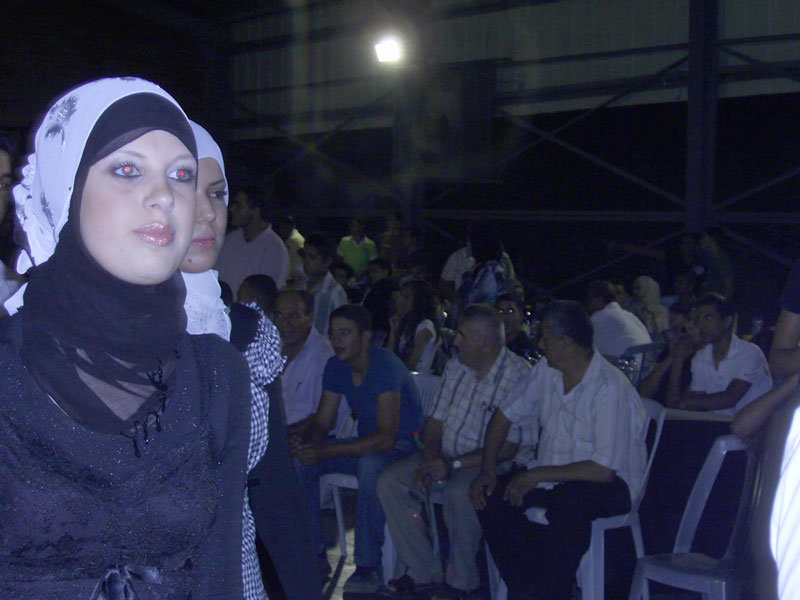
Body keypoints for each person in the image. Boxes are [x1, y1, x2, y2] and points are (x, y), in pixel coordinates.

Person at [0, 77, 249, 598]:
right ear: (68, 190)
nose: (165, 196)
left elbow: (219, 576)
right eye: (128, 170)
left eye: (181, 175)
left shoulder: (217, 373)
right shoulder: (8, 369)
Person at [180, 122, 321, 600]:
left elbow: (272, 483)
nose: (208, 212)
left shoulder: (246, 334)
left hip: (230, 571)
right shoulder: (101, 333)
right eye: (186, 189)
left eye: (218, 195)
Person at [469, 300, 647, 600]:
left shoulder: (609, 387)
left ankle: (552, 591)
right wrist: (487, 470)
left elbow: (603, 470)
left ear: (566, 343)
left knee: (571, 502)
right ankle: (528, 586)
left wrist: (536, 475)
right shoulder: (547, 371)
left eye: (545, 338)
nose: (540, 345)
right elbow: (504, 415)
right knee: (489, 496)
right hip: (553, 479)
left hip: (612, 484)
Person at [377, 304, 534, 599]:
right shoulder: (456, 367)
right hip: (446, 455)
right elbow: (435, 423)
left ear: (484, 343)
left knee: (459, 492)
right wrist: (430, 460)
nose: (455, 341)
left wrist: (453, 465)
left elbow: (509, 448)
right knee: (391, 482)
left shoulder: (519, 376)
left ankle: (461, 582)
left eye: (461, 335)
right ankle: (422, 570)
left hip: (491, 463)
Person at [292, 305, 423, 595]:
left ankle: (367, 565)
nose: (336, 340)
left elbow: (387, 438)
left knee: (371, 465)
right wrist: (310, 443)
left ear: (365, 337)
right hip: (369, 446)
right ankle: (313, 553)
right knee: (302, 462)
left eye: (345, 333)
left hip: (405, 449)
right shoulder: (336, 366)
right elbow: (323, 421)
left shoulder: (385, 366)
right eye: (333, 333)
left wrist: (324, 452)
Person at [676, 293, 772, 414]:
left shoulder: (750, 353)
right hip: (715, 422)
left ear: (727, 321)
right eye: (698, 319)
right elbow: (696, 402)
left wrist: (685, 402)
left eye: (708, 318)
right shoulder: (701, 357)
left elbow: (730, 399)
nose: (701, 325)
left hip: (752, 425)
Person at [273, 289, 350, 437]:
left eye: (293, 316)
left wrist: (280, 436)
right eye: (279, 315)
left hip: (308, 440)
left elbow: (328, 419)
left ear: (310, 317)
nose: (285, 323)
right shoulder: (271, 349)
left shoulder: (326, 356)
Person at [215, 185, 289, 295]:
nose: (232, 209)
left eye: (238, 205)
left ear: (255, 211)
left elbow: (267, 294)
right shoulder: (230, 240)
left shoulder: (274, 249)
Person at [638, 303, 701, 405]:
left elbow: (673, 403)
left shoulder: (702, 359)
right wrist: (670, 357)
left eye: (694, 323)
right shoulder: (674, 347)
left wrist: (678, 361)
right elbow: (644, 393)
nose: (687, 327)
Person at [585, 279, 651, 357]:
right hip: (647, 359)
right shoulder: (629, 315)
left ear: (598, 298)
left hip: (629, 361)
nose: (587, 302)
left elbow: (589, 349)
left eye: (589, 298)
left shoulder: (598, 318)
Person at [387, 279, 440, 373]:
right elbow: (389, 355)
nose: (401, 301)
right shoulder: (407, 324)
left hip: (417, 378)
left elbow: (411, 364)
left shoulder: (425, 326)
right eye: (401, 296)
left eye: (406, 297)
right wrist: (393, 329)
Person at [302, 231, 348, 338]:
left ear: (327, 261)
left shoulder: (335, 293)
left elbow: (342, 332)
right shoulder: (300, 285)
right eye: (304, 256)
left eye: (312, 257)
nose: (306, 261)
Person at [362, 257, 398, 344]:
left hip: (381, 329)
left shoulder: (388, 287)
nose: (371, 275)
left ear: (386, 271)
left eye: (375, 271)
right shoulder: (373, 287)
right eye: (370, 271)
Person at [496, 292, 539, 361]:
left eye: (510, 311)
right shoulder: (491, 346)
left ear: (521, 315)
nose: (504, 316)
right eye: (500, 311)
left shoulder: (527, 350)